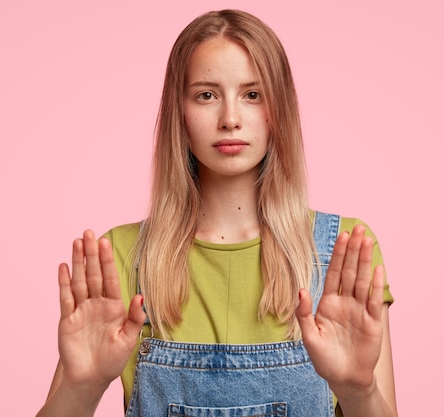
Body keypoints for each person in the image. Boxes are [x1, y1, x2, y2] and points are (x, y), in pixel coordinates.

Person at [37, 9, 398, 417]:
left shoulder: (343, 252)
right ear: (181, 112)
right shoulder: (120, 257)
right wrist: (80, 388)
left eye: (252, 94)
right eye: (206, 95)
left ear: (279, 108)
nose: (230, 119)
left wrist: (358, 392)